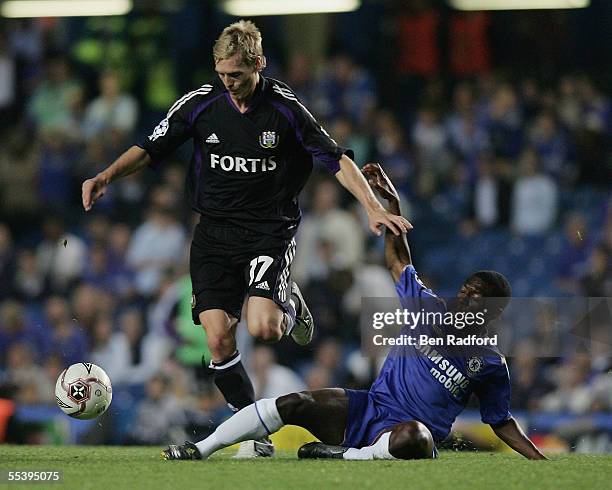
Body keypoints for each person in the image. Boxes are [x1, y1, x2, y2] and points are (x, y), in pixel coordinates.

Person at [81, 21, 410, 457]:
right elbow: (150, 147)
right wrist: (106, 175)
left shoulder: (285, 108)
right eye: (222, 74)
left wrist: (371, 207)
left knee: (264, 328)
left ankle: (287, 305)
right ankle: (253, 430)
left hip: (269, 231)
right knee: (217, 339)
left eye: (236, 74)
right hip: (214, 233)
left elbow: (337, 159)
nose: (229, 83)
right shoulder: (202, 103)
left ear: (259, 63)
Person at [162, 163, 547, 461]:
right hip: (370, 407)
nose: (465, 300)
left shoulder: (491, 363)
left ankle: (347, 455)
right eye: (465, 291)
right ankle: (201, 448)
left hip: (410, 436)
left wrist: (540, 460)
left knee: (416, 436)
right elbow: (399, 261)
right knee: (294, 403)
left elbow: (500, 421)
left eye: (477, 298)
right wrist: (390, 207)